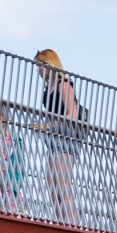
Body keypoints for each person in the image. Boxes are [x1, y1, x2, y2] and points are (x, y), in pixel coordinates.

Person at [34, 47, 84, 223]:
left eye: (40, 66)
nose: (38, 71)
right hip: (55, 138)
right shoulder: (49, 86)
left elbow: (72, 114)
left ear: (49, 63)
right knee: (52, 180)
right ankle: (60, 221)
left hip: (67, 137)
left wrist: (47, 125)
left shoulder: (63, 83)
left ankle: (72, 225)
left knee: (62, 183)